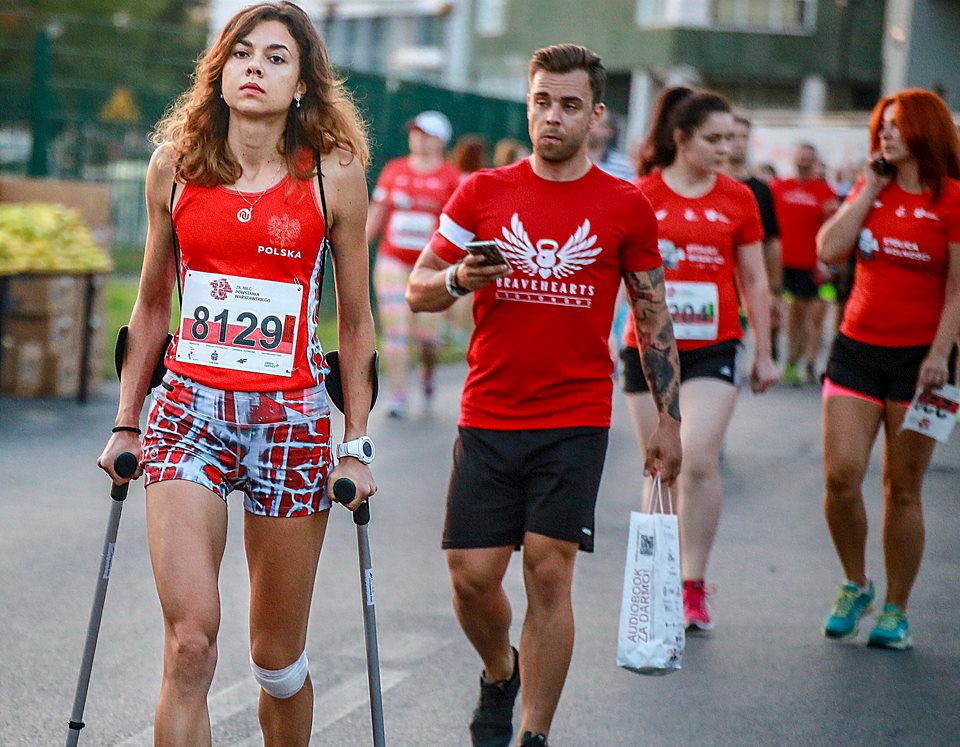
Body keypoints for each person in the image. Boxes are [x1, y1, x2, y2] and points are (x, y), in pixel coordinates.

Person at [96, 4, 378, 744]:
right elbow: (150, 304)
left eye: (277, 57)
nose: (256, 67)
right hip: (187, 413)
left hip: (289, 420)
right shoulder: (175, 166)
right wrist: (127, 420)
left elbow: (355, 324)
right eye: (242, 53)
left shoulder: (334, 175)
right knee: (190, 641)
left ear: (302, 83)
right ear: (218, 72)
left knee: (276, 662)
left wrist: (356, 444)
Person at [406, 44, 682, 747]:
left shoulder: (625, 204)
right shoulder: (481, 192)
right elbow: (417, 288)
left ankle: (534, 734)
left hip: (575, 415)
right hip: (489, 409)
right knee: (471, 577)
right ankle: (501, 670)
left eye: (568, 105)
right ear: (528, 106)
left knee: (549, 570)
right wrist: (459, 280)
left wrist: (668, 420)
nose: (552, 116)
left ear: (596, 115)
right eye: (541, 102)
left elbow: (652, 314)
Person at [621, 87, 778, 631]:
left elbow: (754, 278)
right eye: (713, 139)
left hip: (714, 347)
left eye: (730, 139)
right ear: (681, 139)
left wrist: (765, 352)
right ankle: (655, 579)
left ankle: (692, 583)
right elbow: (615, 276)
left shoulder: (740, 198)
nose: (725, 149)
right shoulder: (641, 195)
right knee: (659, 464)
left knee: (698, 459)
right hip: (647, 349)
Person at [816, 88, 960, 650]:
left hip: (922, 363)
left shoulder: (952, 200)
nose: (887, 134)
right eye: (883, 125)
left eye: (897, 125)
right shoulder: (869, 187)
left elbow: (957, 290)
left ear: (926, 130)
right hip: (856, 349)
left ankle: (896, 609)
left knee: (902, 489)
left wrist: (939, 356)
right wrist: (870, 189)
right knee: (841, 475)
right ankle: (856, 584)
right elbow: (829, 250)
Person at [366, 110, 461, 417]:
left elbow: (458, 226)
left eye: (426, 134)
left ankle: (428, 374)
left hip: (431, 267)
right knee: (395, 331)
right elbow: (377, 213)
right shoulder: (394, 170)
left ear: (441, 141)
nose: (418, 139)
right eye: (415, 133)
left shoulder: (451, 177)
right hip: (392, 261)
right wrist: (356, 247)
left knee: (428, 338)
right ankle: (398, 397)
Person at [771, 143, 839, 385]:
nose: (804, 162)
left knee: (807, 317)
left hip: (811, 265)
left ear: (815, 162)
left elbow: (832, 230)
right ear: (794, 159)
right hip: (781, 265)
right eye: (801, 157)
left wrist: (828, 263)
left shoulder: (825, 192)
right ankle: (780, 354)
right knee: (783, 316)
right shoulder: (778, 187)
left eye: (809, 158)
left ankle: (800, 362)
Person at [725, 115, 783, 361]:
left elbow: (771, 242)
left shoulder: (759, 190)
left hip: (746, 283)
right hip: (712, 282)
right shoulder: (704, 184)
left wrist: (775, 290)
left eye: (743, 137)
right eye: (732, 136)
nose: (738, 143)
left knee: (736, 350)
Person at [586, 108, 636, 182]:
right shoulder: (571, 162)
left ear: (610, 130)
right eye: (590, 124)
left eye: (599, 125)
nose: (592, 129)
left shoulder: (624, 167)